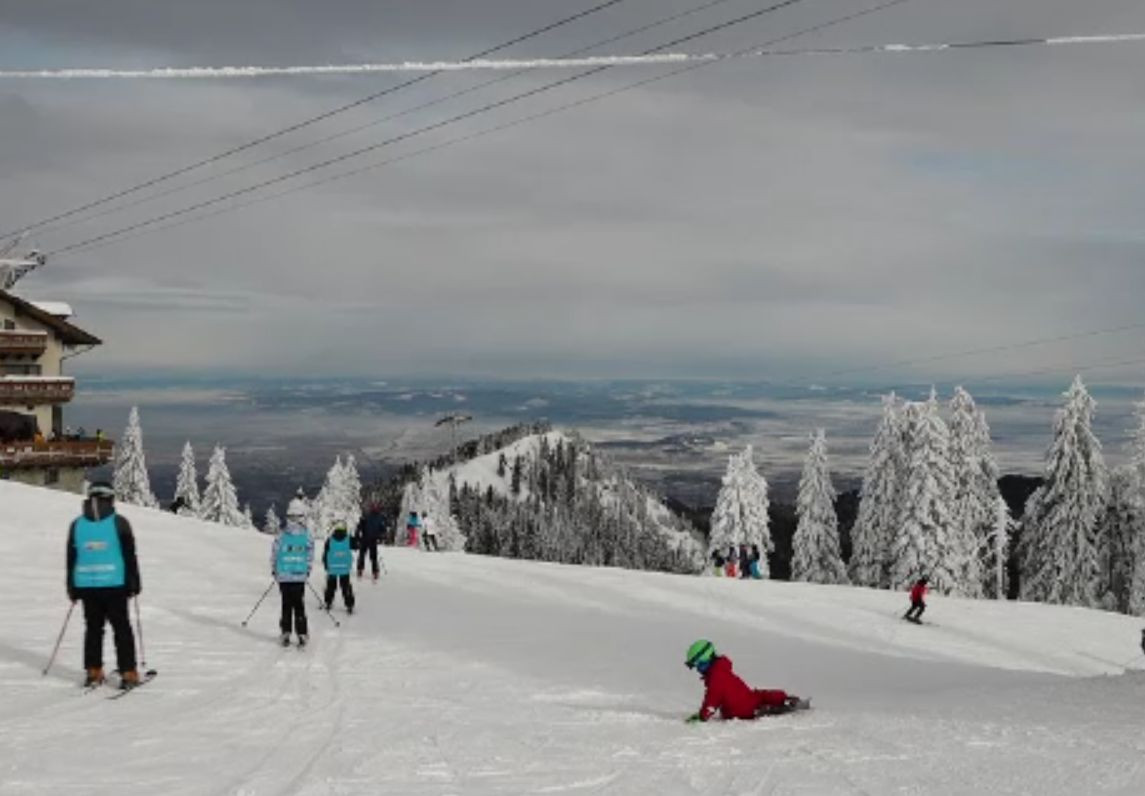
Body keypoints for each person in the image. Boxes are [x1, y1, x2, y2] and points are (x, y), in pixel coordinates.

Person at [66, 481, 142, 689]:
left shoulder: (77, 525)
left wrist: (72, 587)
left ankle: (93, 671)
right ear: (110, 498)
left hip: (86, 584)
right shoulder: (120, 523)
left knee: (93, 628)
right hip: (115, 583)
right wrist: (134, 583)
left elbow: (71, 558)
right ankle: (128, 672)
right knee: (121, 628)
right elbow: (129, 556)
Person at [684, 640, 807, 722]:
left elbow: (712, 700)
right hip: (748, 700)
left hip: (742, 711)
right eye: (696, 667)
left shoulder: (717, 676)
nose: (699, 670)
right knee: (759, 697)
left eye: (700, 665)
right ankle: (784, 700)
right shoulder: (720, 671)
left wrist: (702, 717)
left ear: (708, 659)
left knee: (759, 699)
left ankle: (778, 707)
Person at [272, 499, 314, 647]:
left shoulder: (282, 535)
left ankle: (286, 632)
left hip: (284, 576)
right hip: (299, 576)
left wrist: (274, 569)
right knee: (299, 605)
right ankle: (302, 633)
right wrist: (307, 569)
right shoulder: (306, 535)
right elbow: (310, 554)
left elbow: (275, 553)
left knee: (286, 605)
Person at [323, 519, 356, 614]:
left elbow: (325, 554)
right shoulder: (349, 539)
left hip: (332, 568)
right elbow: (357, 545)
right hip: (344, 568)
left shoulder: (330, 540)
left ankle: (328, 602)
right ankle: (349, 604)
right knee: (346, 587)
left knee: (330, 586)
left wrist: (326, 565)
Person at [355, 503, 386, 580]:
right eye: (373, 507)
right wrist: (358, 535)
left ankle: (374, 571)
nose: (374, 509)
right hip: (366, 538)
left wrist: (381, 536)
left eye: (376, 507)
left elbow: (383, 529)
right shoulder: (367, 516)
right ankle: (361, 570)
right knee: (363, 555)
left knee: (372, 557)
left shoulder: (379, 517)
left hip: (372, 539)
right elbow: (360, 526)